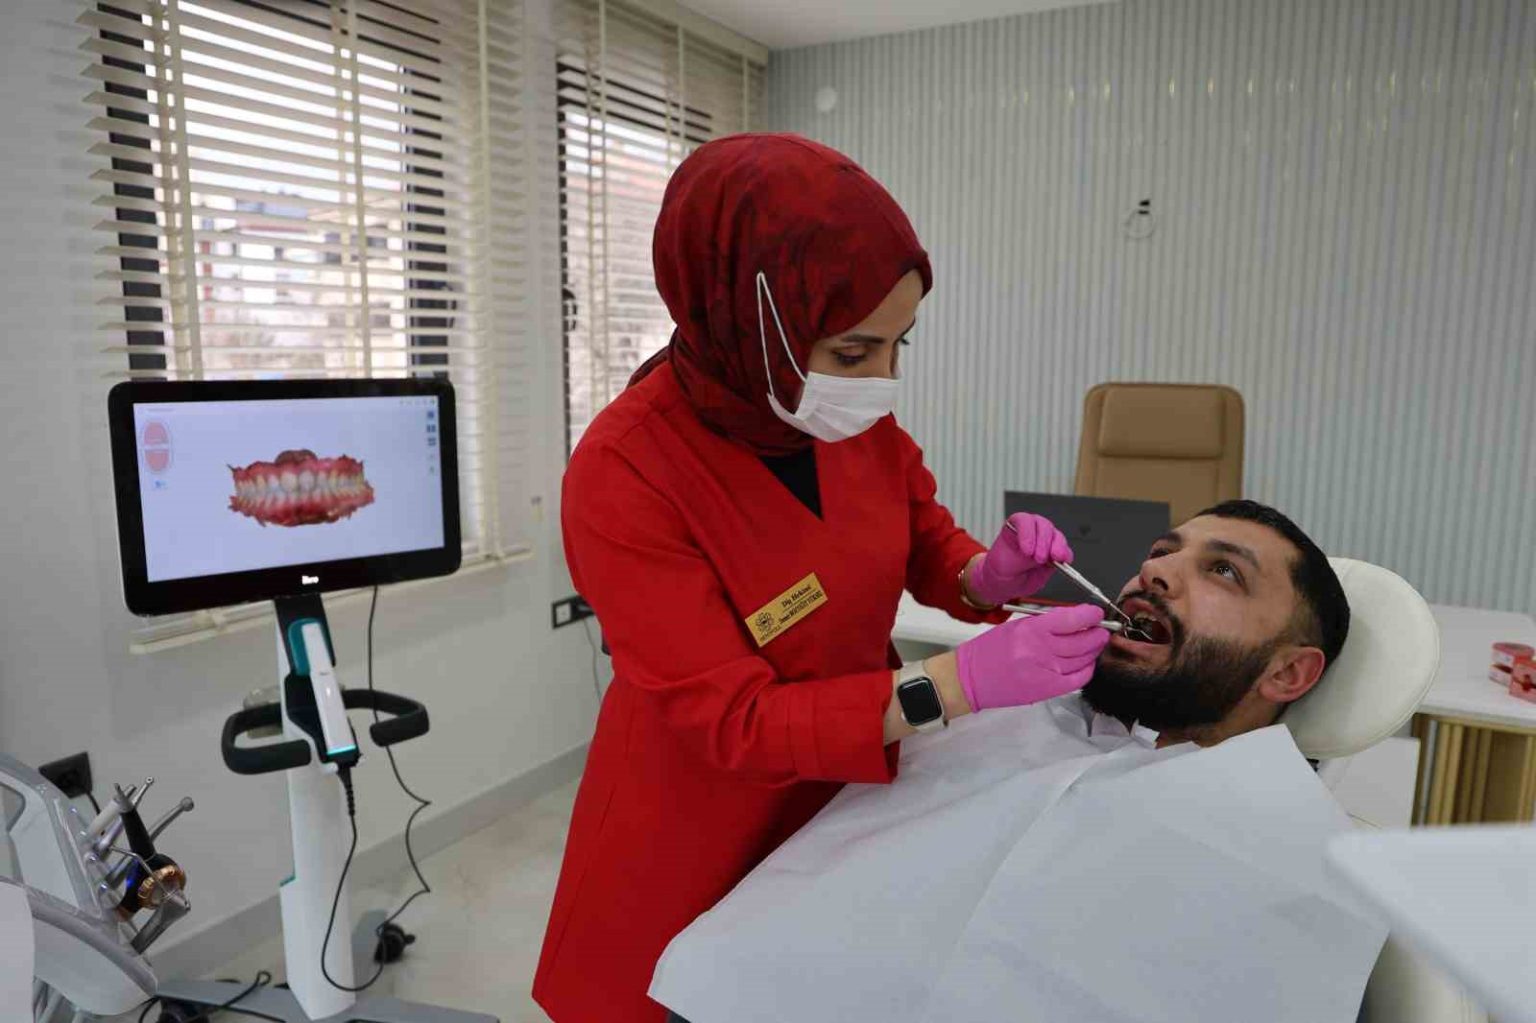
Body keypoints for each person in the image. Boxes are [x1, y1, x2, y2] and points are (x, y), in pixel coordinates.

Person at [533, 133, 1115, 1023]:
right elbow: (733, 721)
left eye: (898, 345)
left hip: (845, 790)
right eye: (853, 352)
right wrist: (956, 683)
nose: (883, 381)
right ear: (746, 316)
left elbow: (923, 539)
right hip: (699, 815)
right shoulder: (625, 472)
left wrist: (987, 574)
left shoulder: (840, 417)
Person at [651, 500, 1366, 1023]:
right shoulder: (1006, 708)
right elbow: (764, 727)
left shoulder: (1305, 857)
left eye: (1223, 572)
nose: (1155, 572)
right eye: (1160, 550)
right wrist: (953, 672)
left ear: (1288, 673)